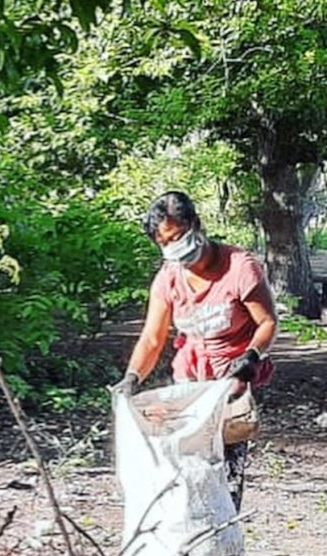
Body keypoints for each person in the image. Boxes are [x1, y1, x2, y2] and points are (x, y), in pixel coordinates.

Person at [116, 190, 278, 511]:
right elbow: (152, 338)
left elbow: (267, 322)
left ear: (196, 225)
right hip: (189, 382)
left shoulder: (239, 268)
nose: (175, 246)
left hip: (232, 382)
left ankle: (224, 537)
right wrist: (132, 377)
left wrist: (251, 357)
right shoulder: (168, 279)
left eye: (178, 236)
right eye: (165, 243)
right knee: (189, 470)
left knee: (227, 471)